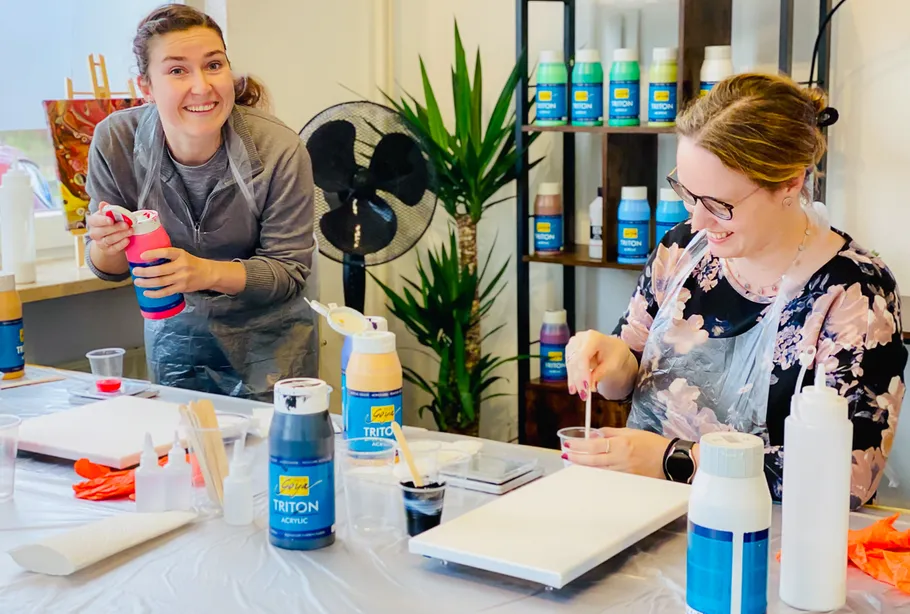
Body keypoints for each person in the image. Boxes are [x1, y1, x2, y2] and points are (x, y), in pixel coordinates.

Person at [564, 73, 906, 510]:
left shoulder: (853, 294)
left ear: (790, 182)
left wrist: (674, 459)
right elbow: (630, 374)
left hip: (772, 540)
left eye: (719, 205)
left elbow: (848, 478)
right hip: (643, 515)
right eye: (688, 194)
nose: (699, 222)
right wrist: (613, 362)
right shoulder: (681, 249)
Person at [84, 4, 318, 402]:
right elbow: (110, 270)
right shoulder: (117, 142)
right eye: (177, 70)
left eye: (214, 65)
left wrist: (205, 273)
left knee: (275, 460)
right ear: (145, 86)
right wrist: (107, 244)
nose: (202, 86)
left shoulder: (278, 148)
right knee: (181, 456)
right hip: (174, 341)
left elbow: (289, 271)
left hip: (275, 351)